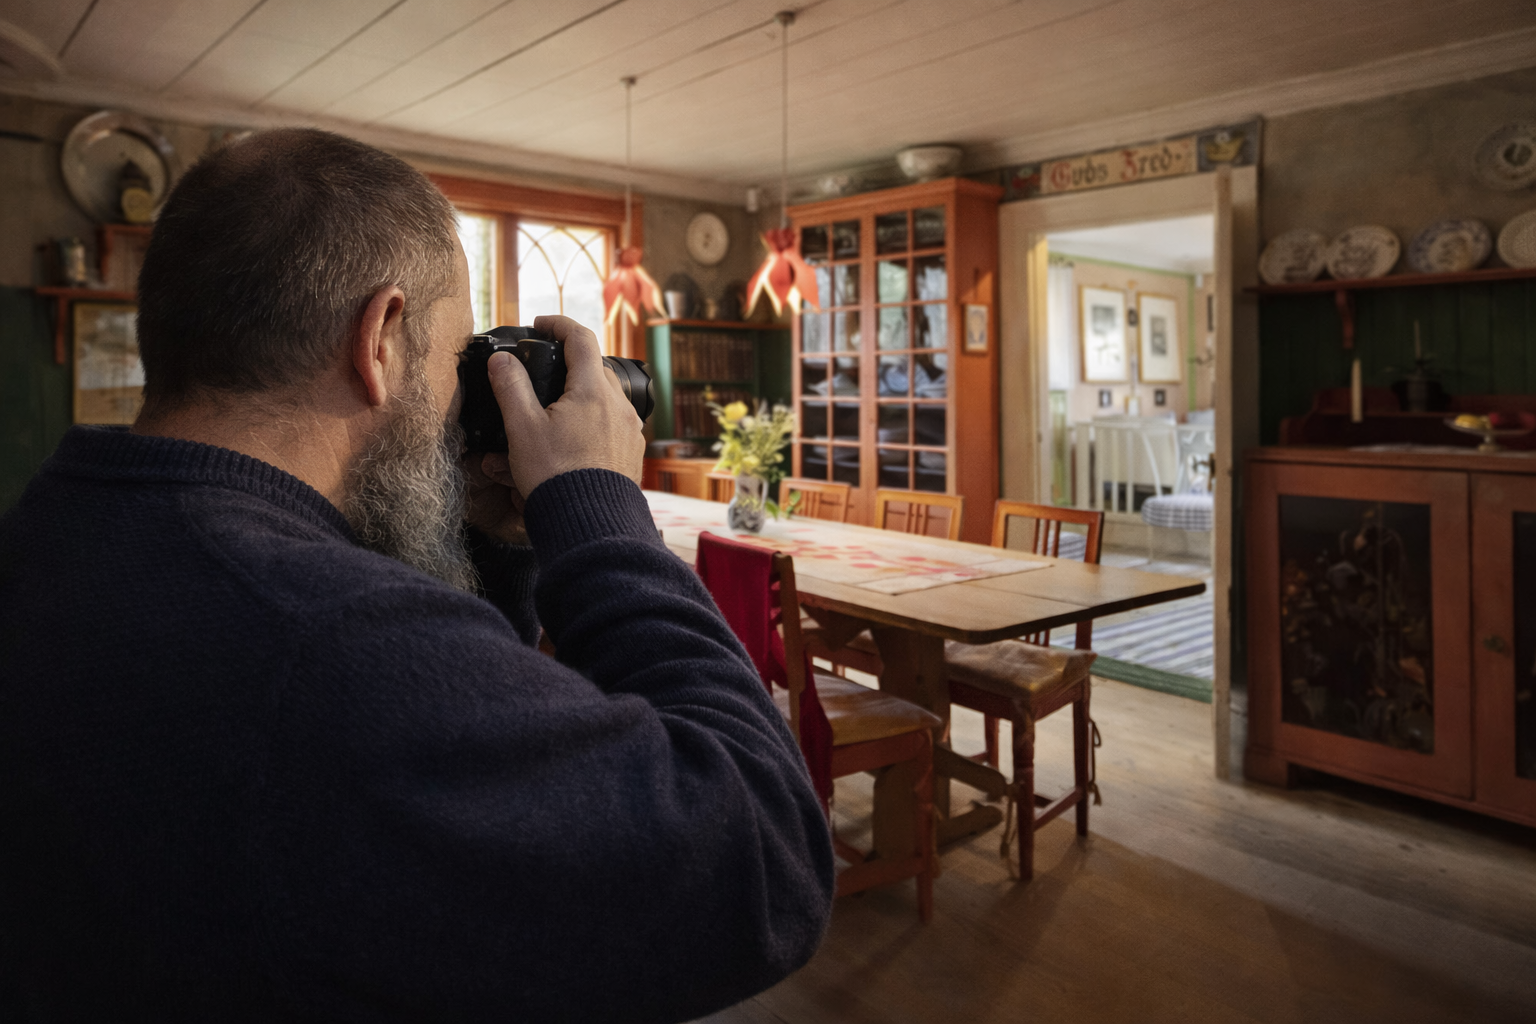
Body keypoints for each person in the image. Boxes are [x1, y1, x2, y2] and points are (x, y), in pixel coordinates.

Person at [0, 128, 833, 1022]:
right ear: (383, 338)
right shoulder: (327, 642)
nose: (458, 398)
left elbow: (460, 737)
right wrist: (598, 513)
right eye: (456, 355)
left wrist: (502, 542)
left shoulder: (60, 532)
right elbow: (760, 855)